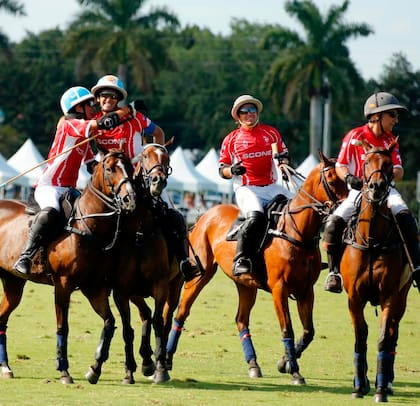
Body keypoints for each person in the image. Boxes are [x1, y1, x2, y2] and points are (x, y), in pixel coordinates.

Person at [90, 74, 201, 283]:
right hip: (110, 181)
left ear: (118, 98)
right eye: (104, 95)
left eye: (113, 96)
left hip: (139, 175)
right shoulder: (93, 123)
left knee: (173, 216)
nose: (108, 99)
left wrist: (154, 153)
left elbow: (158, 132)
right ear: (97, 98)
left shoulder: (136, 118)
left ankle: (185, 261)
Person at [14, 86, 130, 275]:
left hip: (69, 188)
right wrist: (128, 110)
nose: (93, 108)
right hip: (49, 186)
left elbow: (91, 163)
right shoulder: (69, 125)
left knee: (88, 215)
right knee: (50, 213)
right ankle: (26, 256)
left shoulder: (83, 137)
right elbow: (101, 124)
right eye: (89, 105)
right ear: (77, 108)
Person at [322, 91, 420, 293]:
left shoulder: (391, 139)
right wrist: (349, 178)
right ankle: (334, 273)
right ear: (376, 116)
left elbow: (399, 169)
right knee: (333, 223)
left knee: (405, 215)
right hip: (358, 190)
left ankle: (416, 266)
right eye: (392, 114)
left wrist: (391, 173)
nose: (396, 119)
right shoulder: (354, 136)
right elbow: (340, 165)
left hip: (386, 189)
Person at [219, 94, 294, 276]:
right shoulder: (231, 139)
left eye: (252, 109)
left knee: (299, 210)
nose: (249, 113)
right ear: (238, 116)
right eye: (244, 111)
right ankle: (241, 259)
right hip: (247, 188)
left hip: (271, 185)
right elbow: (222, 170)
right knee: (255, 217)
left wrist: (283, 162)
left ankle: (306, 255)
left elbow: (284, 154)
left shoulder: (271, 133)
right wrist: (232, 170)